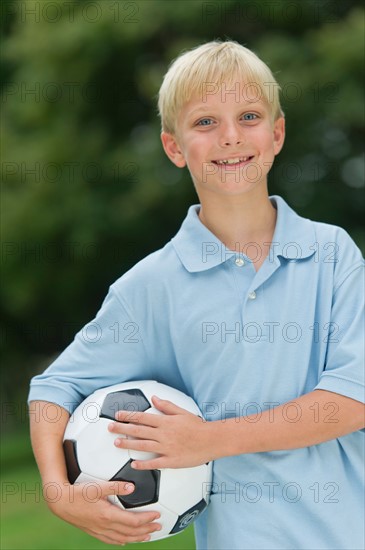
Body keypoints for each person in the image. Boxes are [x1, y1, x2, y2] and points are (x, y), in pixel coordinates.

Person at [28, 40, 365, 549]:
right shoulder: (152, 287)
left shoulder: (332, 253)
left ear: (276, 135)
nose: (230, 137)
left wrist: (207, 441)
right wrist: (58, 492)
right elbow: (52, 391)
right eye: (205, 122)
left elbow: (351, 401)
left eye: (248, 116)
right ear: (174, 148)